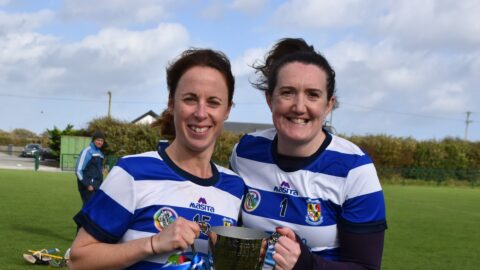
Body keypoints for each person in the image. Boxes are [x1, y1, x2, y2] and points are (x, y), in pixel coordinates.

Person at [68, 48, 245, 270]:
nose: (201, 113)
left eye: (213, 102)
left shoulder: (235, 187)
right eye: (190, 99)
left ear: (227, 110)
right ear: (172, 104)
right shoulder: (133, 172)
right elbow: (78, 261)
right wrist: (153, 243)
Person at [230, 38, 387, 270]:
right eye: (287, 92)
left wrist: (306, 264)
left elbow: (366, 268)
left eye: (312, 94)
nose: (299, 107)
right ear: (269, 99)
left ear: (328, 105)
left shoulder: (355, 169)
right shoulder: (245, 152)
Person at [75, 131, 106, 206]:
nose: (100, 142)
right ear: (93, 140)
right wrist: (87, 184)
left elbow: (97, 171)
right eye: (98, 140)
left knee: (93, 209)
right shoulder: (87, 151)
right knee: (89, 209)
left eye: (102, 140)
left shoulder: (100, 153)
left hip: (97, 185)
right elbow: (78, 170)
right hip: (88, 187)